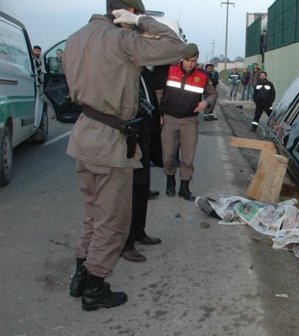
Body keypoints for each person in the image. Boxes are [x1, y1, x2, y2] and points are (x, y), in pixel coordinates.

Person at [64, 0, 185, 311]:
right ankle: (95, 287)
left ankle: (80, 276)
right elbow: (177, 47)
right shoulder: (121, 40)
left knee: (93, 213)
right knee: (113, 220)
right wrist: (142, 19)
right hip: (110, 141)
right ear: (126, 10)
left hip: (84, 134)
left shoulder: (75, 38)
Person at [160, 43, 217, 201]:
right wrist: (159, 113)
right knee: (168, 156)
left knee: (188, 157)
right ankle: (170, 179)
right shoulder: (170, 71)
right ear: (182, 59)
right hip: (169, 119)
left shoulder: (203, 77)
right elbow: (158, 93)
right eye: (187, 60)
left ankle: (184, 187)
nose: (190, 64)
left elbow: (212, 94)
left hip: (189, 121)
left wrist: (206, 103)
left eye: (193, 60)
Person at [121, 69, 164, 263]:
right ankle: (126, 243)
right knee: (127, 194)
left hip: (144, 138)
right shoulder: (122, 71)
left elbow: (151, 101)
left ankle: (139, 232)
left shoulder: (144, 72)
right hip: (128, 139)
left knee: (141, 189)